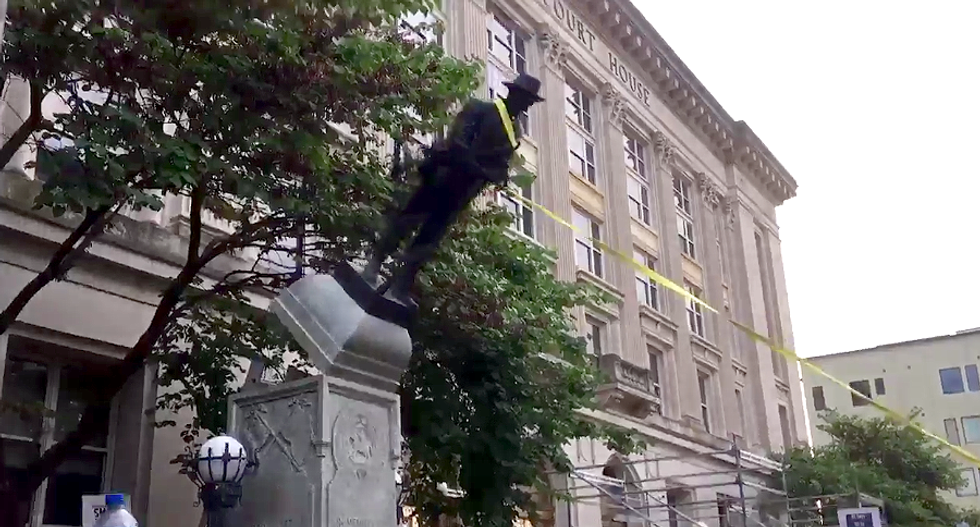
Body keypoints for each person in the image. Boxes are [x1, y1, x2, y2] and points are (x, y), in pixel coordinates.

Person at [361, 73, 545, 306]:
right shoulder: (480, 109)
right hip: (441, 177)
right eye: (526, 98)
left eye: (530, 101)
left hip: (462, 192)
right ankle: (374, 264)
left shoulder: (514, 134)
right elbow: (458, 144)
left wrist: (494, 173)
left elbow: (500, 166)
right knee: (405, 222)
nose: (527, 105)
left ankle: (399, 287)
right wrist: (482, 169)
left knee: (429, 240)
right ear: (514, 94)